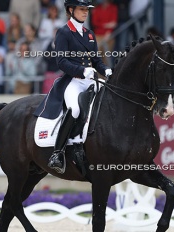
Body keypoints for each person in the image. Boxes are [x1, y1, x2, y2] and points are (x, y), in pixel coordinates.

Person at [34, 0, 112, 174]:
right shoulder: (63, 32)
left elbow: (97, 61)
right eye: (82, 9)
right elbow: (61, 61)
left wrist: (106, 70)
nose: (86, 13)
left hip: (91, 78)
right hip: (73, 80)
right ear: (71, 10)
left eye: (87, 10)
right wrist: (82, 70)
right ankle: (58, 152)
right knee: (75, 109)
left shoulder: (89, 34)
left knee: (108, 101)